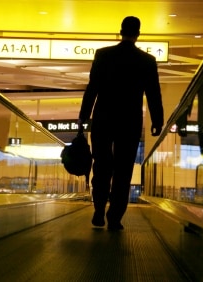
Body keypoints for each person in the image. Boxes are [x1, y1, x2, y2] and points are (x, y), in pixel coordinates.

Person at [77, 16, 164, 230]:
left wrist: (83, 116)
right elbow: (154, 93)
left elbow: (92, 88)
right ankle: (115, 217)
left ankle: (98, 210)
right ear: (138, 33)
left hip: (103, 119)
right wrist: (157, 120)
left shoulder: (103, 55)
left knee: (102, 166)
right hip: (130, 120)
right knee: (123, 170)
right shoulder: (146, 61)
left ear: (121, 30)